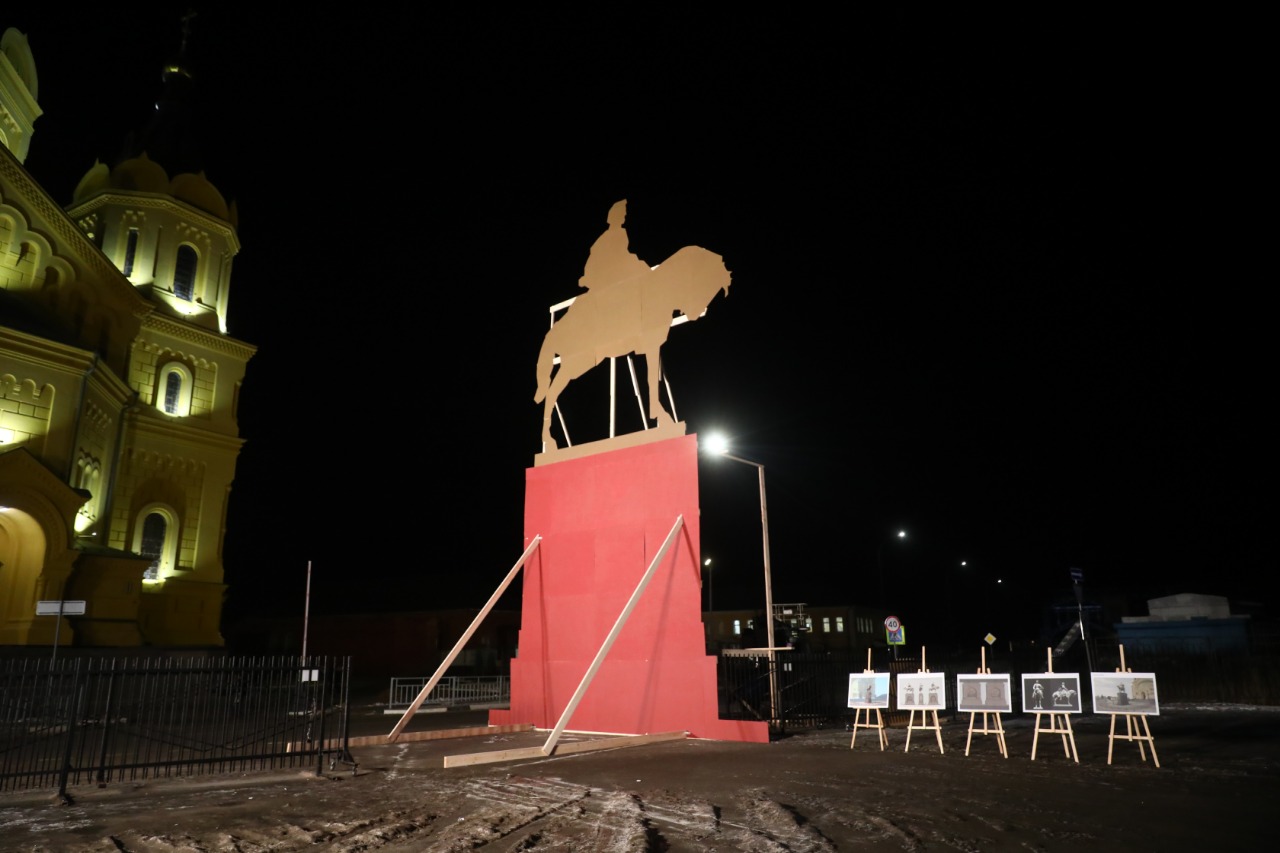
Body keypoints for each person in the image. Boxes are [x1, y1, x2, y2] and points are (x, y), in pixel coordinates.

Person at [578, 199, 651, 293]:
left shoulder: (621, 232)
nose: (624, 216)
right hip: (609, 268)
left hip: (618, 263)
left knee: (639, 264)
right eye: (622, 214)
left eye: (624, 214)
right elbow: (601, 255)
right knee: (639, 266)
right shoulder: (606, 237)